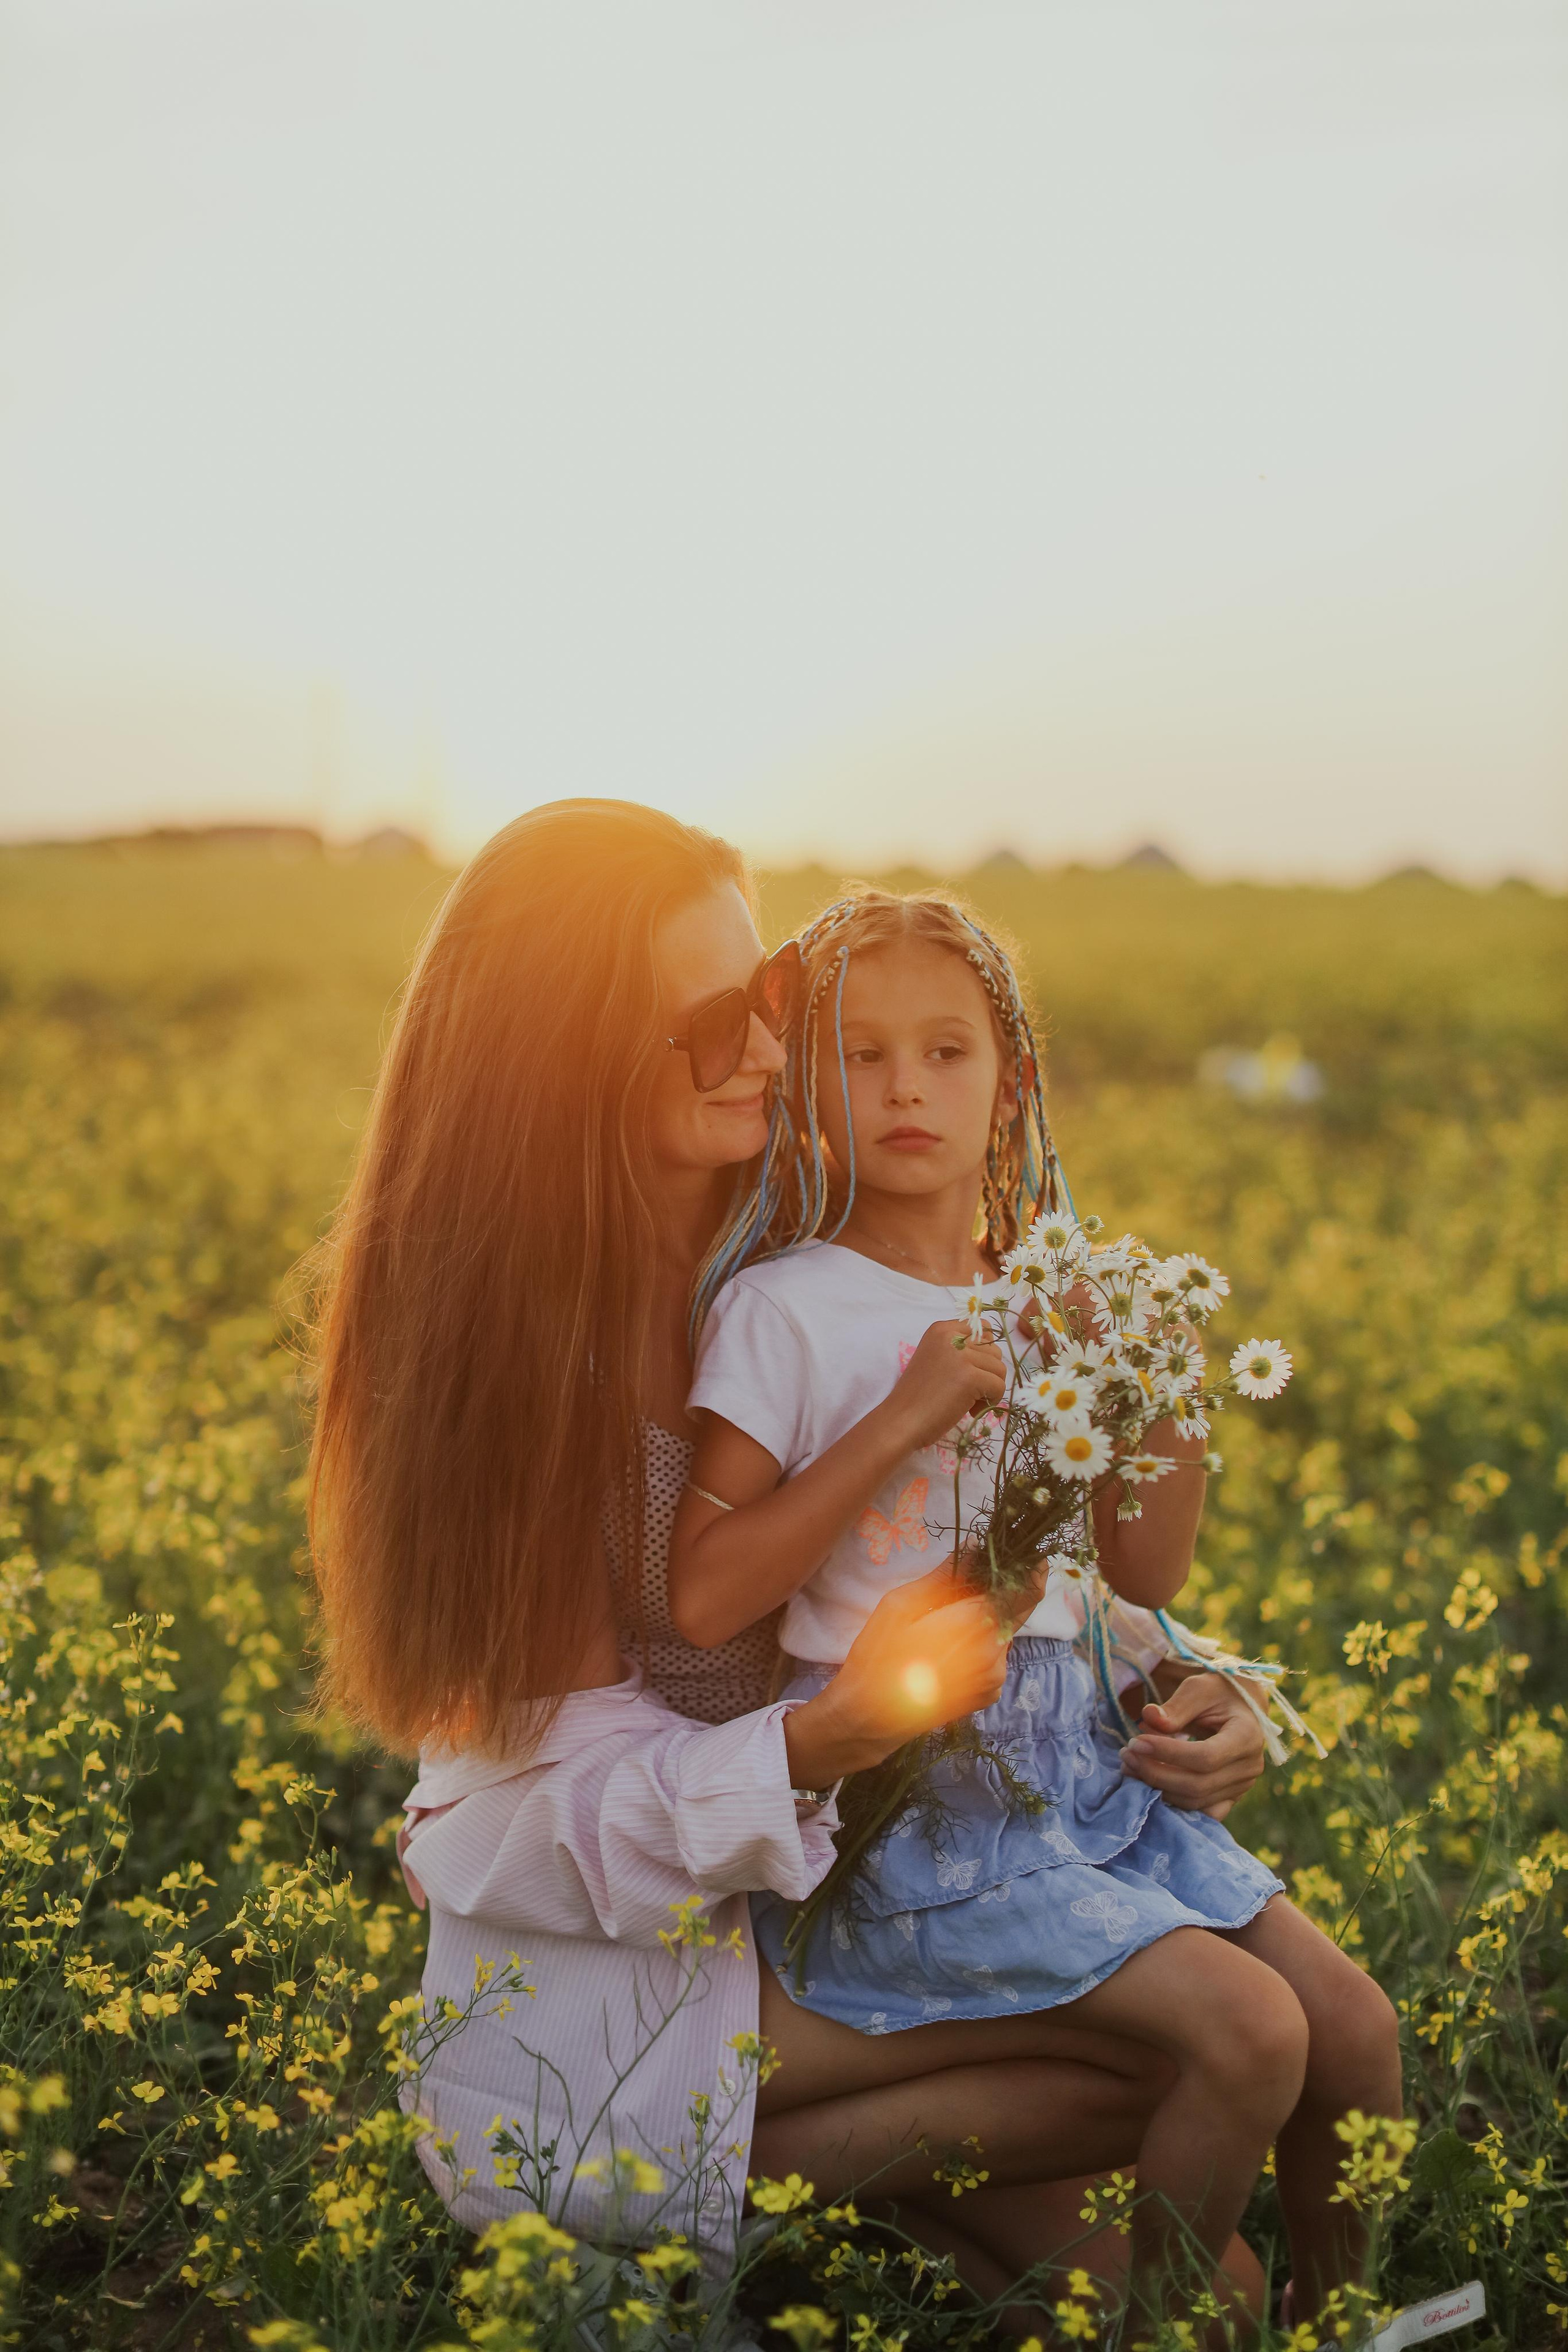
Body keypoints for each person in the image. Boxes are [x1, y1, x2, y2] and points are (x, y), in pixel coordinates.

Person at [306, 801, 1280, 2329]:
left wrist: (1170, 1672)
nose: (770, 1050)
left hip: (815, 1910)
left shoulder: (772, 1245)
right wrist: (822, 1741)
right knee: (1180, 2045)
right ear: (566, 1059)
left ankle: (851, 2204)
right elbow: (503, 1827)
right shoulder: (522, 1375)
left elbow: (945, 1540)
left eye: (764, 1002)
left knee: (1229, 2303)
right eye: (713, 1025)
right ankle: (742, 2195)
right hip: (621, 2007)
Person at [666, 886, 1403, 2324]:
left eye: (945, 1053)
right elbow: (703, 1594)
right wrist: (900, 1416)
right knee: (1248, 2035)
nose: (905, 1089)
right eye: (861, 1054)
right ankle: (1162, 2334)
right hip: (923, 1805)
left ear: (1009, 1084)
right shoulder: (784, 1307)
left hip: (1086, 1776)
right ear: (805, 1086)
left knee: (1354, 2033)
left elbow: (1142, 1573)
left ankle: (1351, 2327)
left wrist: (1155, 1381)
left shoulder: (1047, 1296)